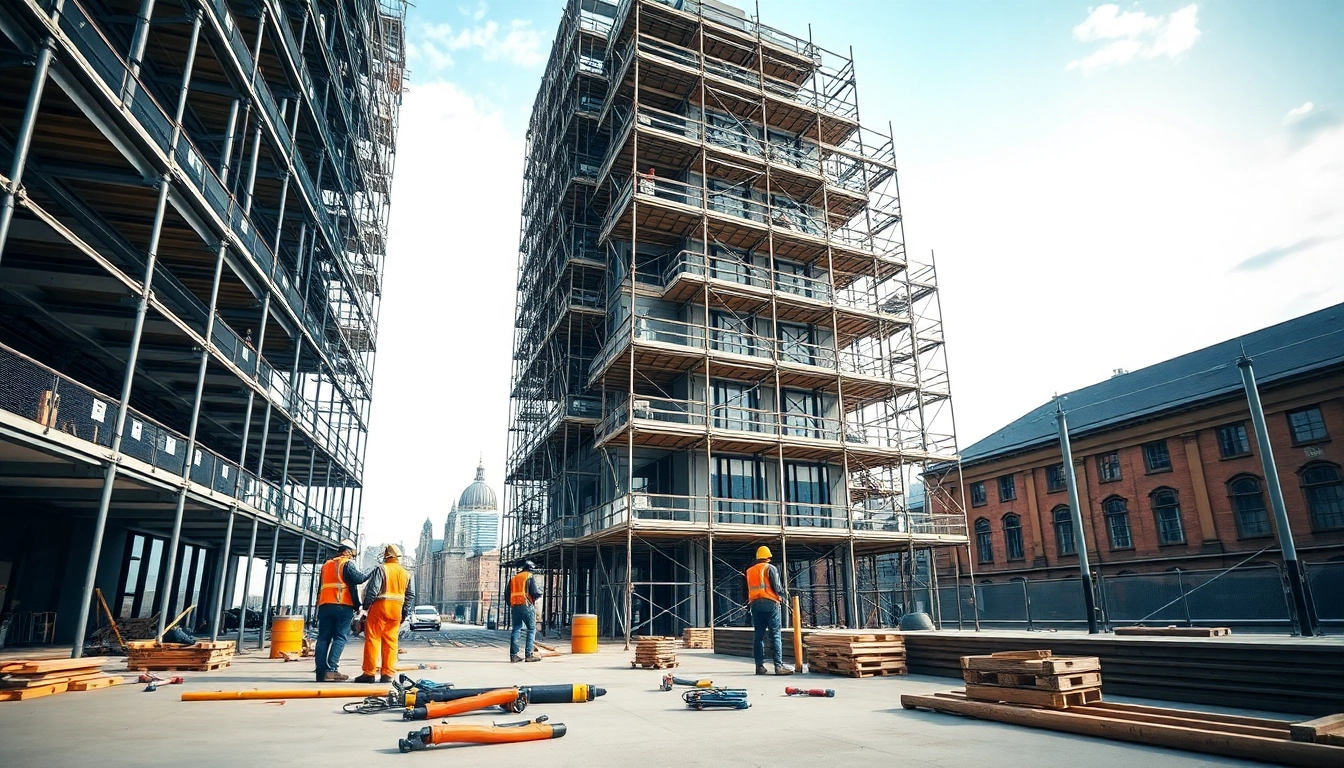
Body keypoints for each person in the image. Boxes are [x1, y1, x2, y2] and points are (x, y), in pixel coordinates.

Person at [354, 543, 414, 683]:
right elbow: (410, 596)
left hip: (380, 608)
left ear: (386, 556)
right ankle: (387, 674)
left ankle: (369, 673)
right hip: (396, 611)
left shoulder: (382, 569)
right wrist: (404, 613)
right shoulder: (406, 574)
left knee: (373, 639)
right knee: (391, 642)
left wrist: (365, 608)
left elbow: (373, 590)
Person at [314, 539, 370, 682]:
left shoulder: (326, 565)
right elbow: (358, 579)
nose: (352, 557)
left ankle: (321, 673)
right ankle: (332, 670)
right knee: (340, 637)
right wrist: (373, 572)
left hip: (325, 605)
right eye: (352, 554)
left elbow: (321, 586)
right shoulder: (346, 564)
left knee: (323, 638)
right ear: (347, 551)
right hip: (342, 606)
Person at [746, 545, 794, 676]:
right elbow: (777, 587)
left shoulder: (750, 571)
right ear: (768, 557)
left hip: (755, 604)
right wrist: (785, 597)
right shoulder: (770, 568)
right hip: (770, 603)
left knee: (758, 636)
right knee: (775, 635)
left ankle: (759, 666)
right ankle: (778, 666)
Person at [508, 560, 543, 663]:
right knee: (531, 629)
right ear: (530, 568)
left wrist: (512, 603)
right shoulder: (528, 576)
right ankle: (529, 655)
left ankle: (513, 656)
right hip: (526, 604)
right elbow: (534, 592)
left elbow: (507, 594)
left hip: (515, 606)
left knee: (516, 629)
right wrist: (538, 597)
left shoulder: (514, 578)